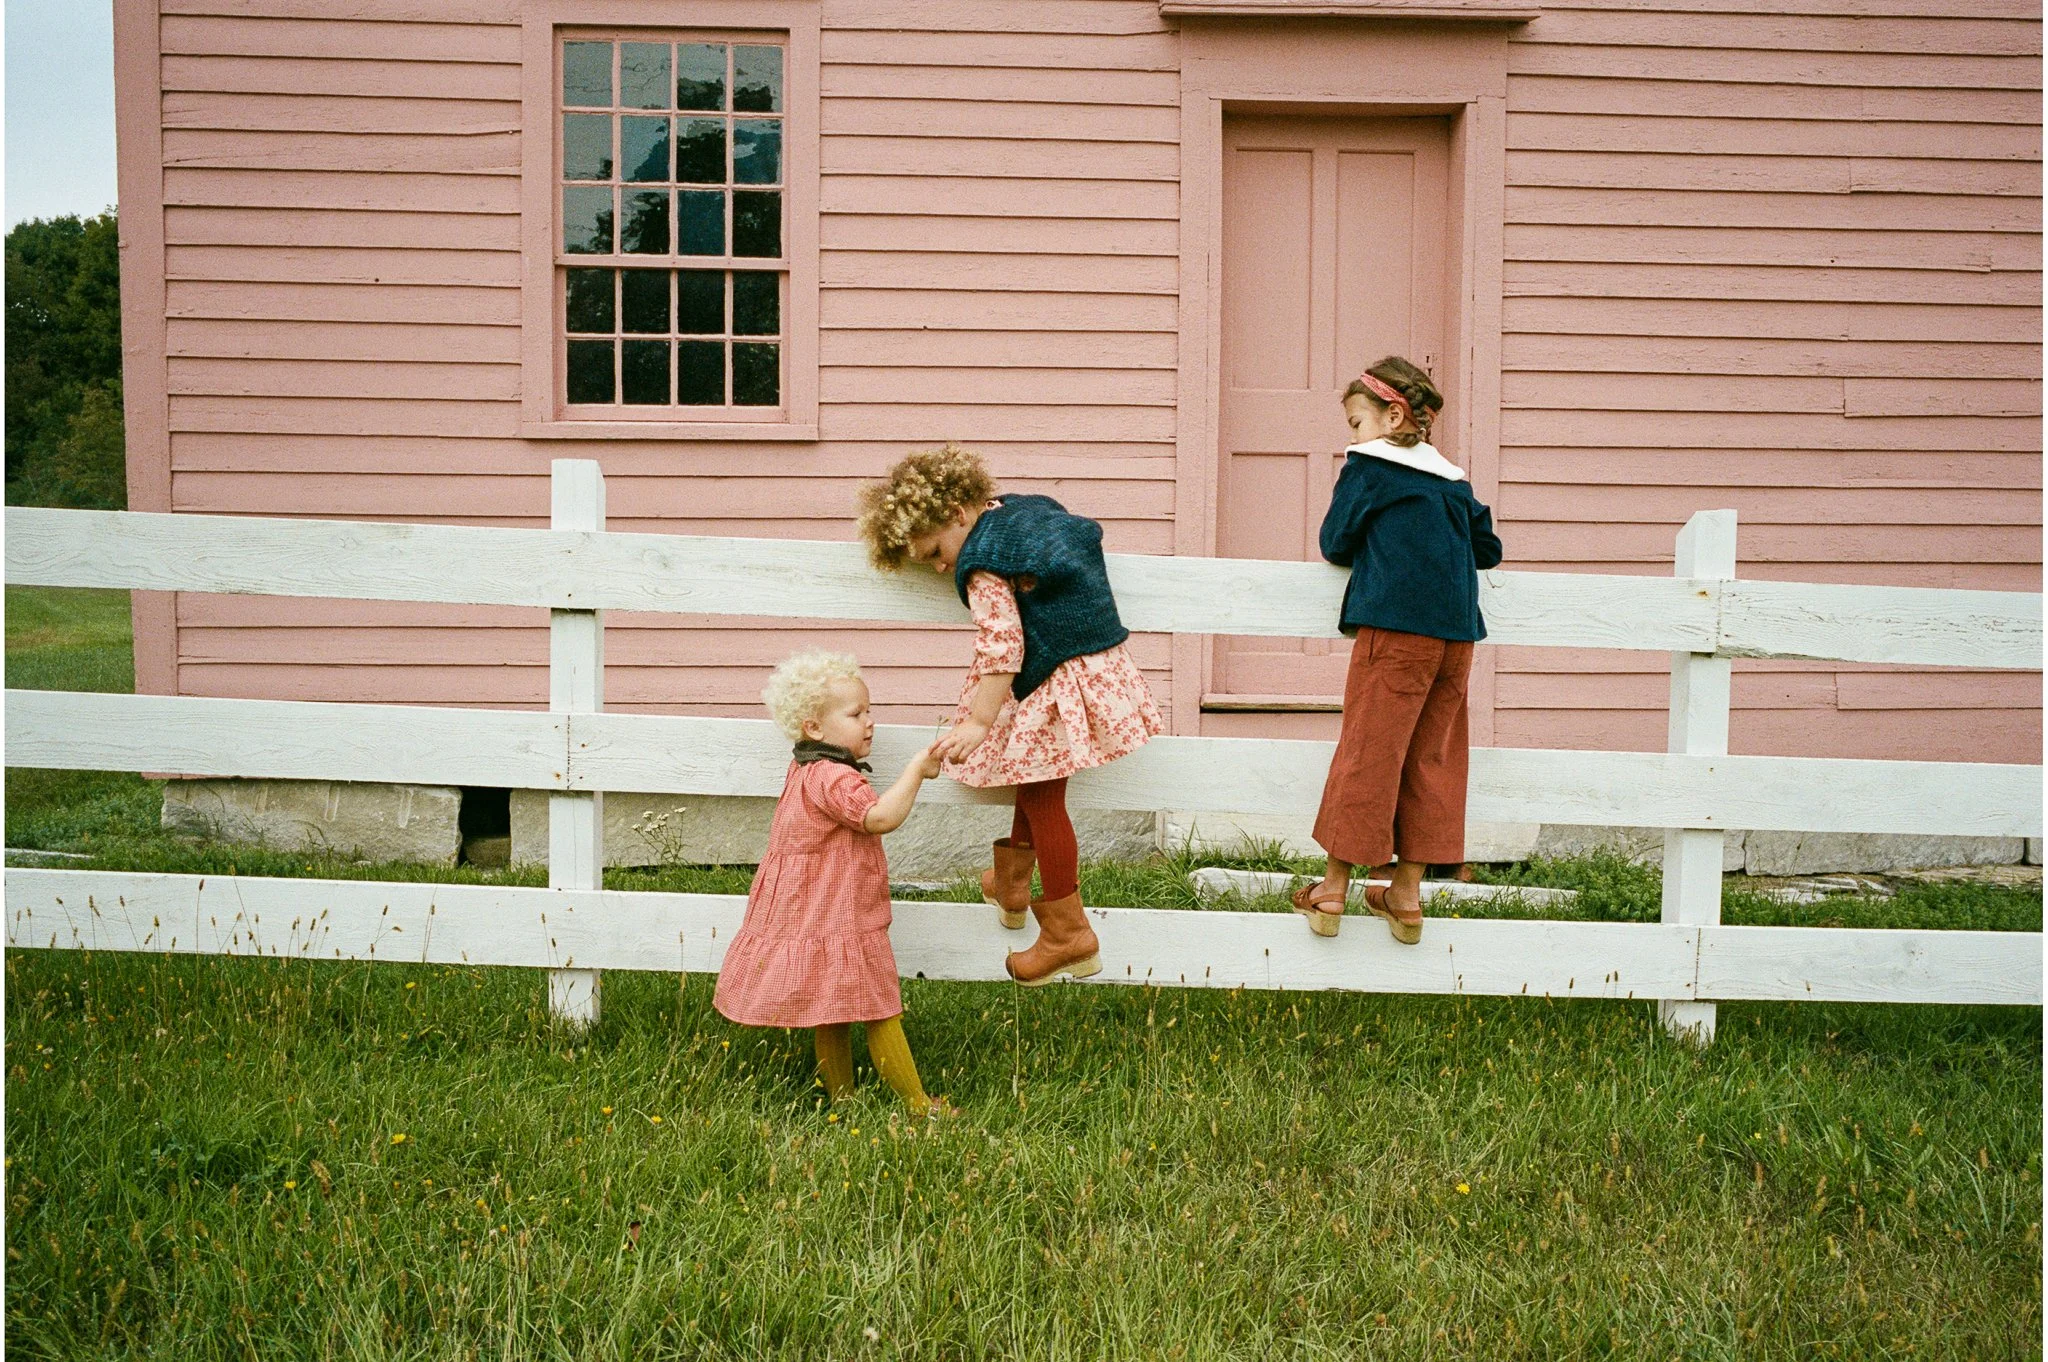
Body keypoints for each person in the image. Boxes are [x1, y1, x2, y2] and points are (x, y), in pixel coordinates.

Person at [857, 444, 1163, 985]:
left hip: (1052, 678)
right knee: (1035, 776)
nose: (937, 566)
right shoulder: (1018, 511)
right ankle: (1013, 883)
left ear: (957, 515)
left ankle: (1070, 934)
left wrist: (976, 723)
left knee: (1045, 798)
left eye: (933, 551)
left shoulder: (982, 563)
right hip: (1088, 664)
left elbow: (1002, 648)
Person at [1291, 357, 1504, 944]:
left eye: (1355, 423)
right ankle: (1405, 896)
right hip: (1456, 638)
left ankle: (1333, 889)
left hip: (1395, 633)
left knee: (1370, 752)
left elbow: (1335, 543)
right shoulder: (1451, 480)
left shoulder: (1369, 469)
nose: (1350, 437)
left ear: (1392, 415)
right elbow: (1488, 549)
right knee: (1434, 759)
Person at [712, 649, 955, 1117]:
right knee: (880, 1007)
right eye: (855, 713)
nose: (869, 722)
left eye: (870, 711)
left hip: (815, 912)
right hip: (838, 915)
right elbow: (879, 817)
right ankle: (918, 1107)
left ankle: (843, 1099)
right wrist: (916, 772)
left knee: (832, 1006)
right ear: (814, 728)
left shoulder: (805, 770)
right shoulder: (835, 778)